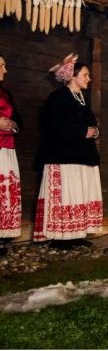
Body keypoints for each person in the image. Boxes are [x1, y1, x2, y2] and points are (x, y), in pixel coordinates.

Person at [33, 53, 103, 247]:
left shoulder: (82, 98)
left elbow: (92, 123)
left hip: (83, 155)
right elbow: (53, 126)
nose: (88, 79)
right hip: (63, 155)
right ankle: (60, 237)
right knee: (66, 195)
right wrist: (83, 131)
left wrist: (95, 131)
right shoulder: (58, 97)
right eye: (85, 75)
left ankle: (77, 233)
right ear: (73, 76)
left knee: (79, 193)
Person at [0, 54, 23, 255]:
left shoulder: (5, 93)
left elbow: (17, 119)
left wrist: (13, 124)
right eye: (1, 66)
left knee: (5, 193)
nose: (5, 70)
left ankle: (2, 234)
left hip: (6, 148)